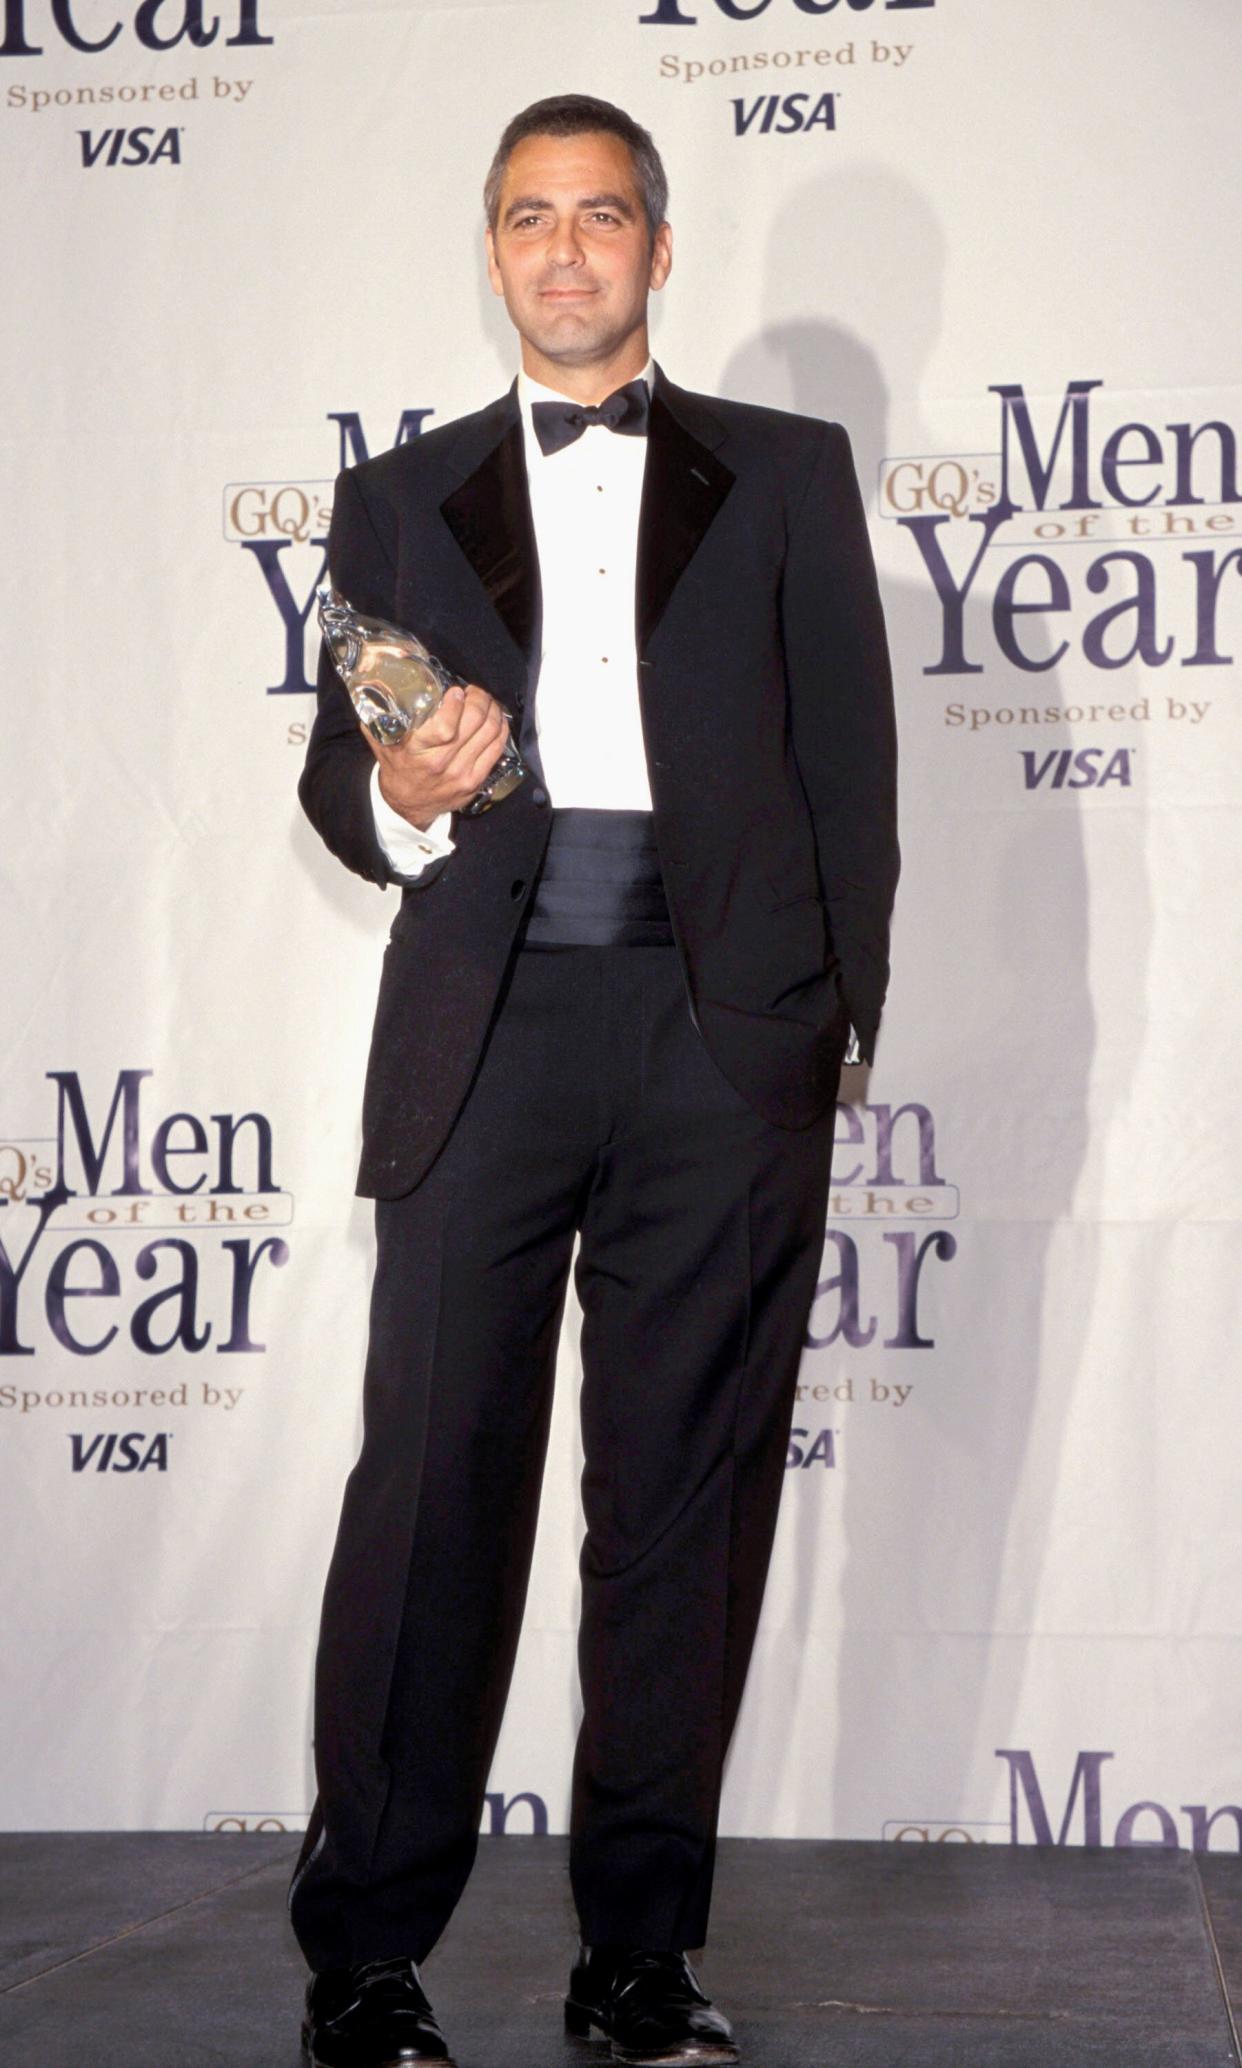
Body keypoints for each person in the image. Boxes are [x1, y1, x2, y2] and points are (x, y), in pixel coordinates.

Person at [290, 92, 898, 2068]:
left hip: (726, 1040)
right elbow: (337, 772)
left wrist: (824, 1037)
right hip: (491, 1028)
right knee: (429, 1489)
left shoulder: (791, 472)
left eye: (604, 215)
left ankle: (638, 1952)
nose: (567, 251)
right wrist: (398, 787)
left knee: (677, 1511)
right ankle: (364, 1954)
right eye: (531, 218)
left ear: (656, 246)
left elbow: (854, 780)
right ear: (492, 251)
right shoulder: (398, 497)